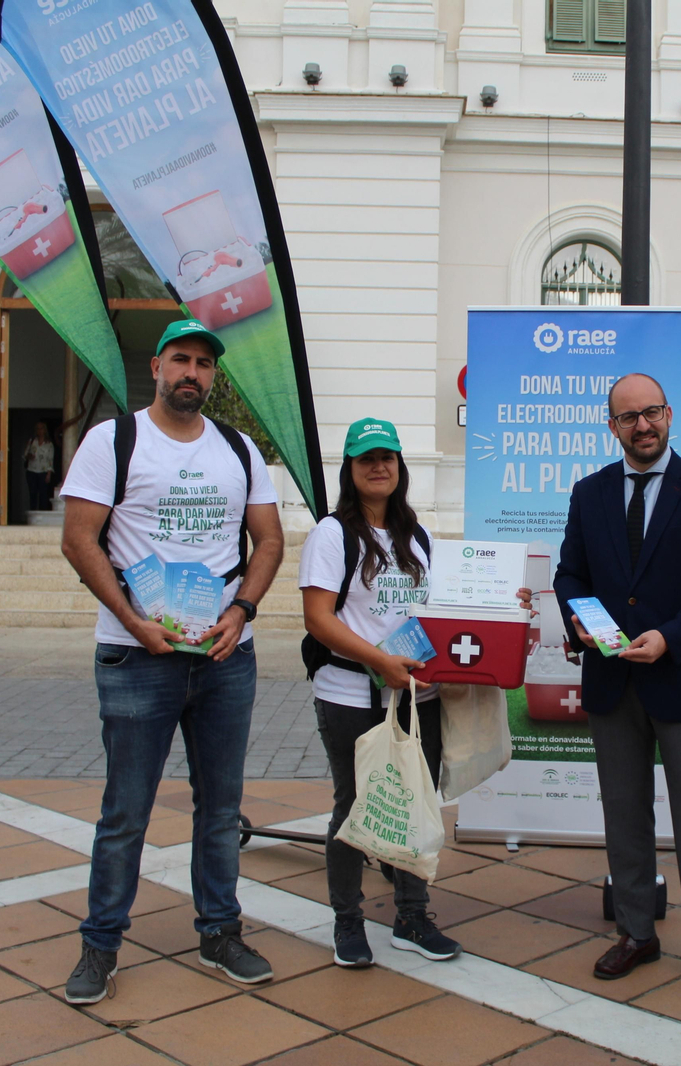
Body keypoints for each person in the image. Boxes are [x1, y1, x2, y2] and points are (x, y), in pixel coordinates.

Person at [58, 318, 285, 1005]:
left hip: (223, 657)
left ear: (214, 376)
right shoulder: (113, 441)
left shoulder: (240, 450)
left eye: (204, 364)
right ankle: (100, 945)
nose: (193, 372)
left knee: (221, 809)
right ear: (156, 366)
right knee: (125, 810)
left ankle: (220, 931)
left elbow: (270, 541)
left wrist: (240, 610)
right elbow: (78, 539)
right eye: (181, 360)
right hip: (139, 656)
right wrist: (132, 621)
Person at [553, 373, 681, 996]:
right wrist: (579, 622)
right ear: (612, 426)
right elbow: (570, 574)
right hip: (611, 680)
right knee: (624, 814)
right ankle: (636, 932)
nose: (643, 425)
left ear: (669, 416)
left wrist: (671, 636)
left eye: (653, 413)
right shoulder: (590, 494)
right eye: (629, 417)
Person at [299, 418, 461, 970]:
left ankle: (412, 917)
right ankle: (348, 921)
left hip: (419, 695)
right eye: (366, 458)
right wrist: (378, 661)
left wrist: (497, 603)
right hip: (350, 693)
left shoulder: (419, 536)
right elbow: (317, 618)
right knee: (354, 805)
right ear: (349, 469)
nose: (378, 466)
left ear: (400, 466)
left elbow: (442, 610)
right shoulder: (332, 534)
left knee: (418, 801)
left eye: (387, 456)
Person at [23, 421, 55, 512]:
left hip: (43, 471)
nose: (39, 430)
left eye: (41, 428)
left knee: (43, 494)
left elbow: (50, 460)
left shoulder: (49, 444)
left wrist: (49, 474)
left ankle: (42, 515)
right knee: (32, 493)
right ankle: (32, 514)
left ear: (45, 430)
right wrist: (29, 456)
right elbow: (25, 455)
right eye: (37, 428)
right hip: (31, 470)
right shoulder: (32, 441)